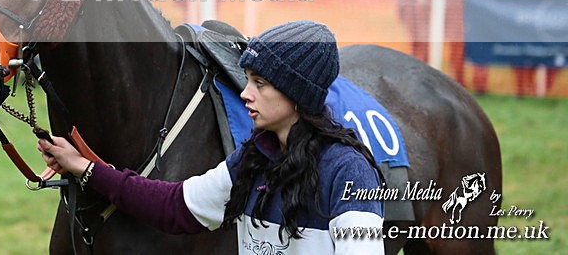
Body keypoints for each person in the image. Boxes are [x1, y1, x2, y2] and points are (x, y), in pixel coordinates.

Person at [39, 21, 385, 254]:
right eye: (247, 80)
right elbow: (173, 205)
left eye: (259, 84)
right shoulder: (253, 159)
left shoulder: (349, 172)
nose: (245, 94)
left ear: (296, 93)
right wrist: (85, 167)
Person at [503, 0, 551, 96]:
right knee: (516, 56)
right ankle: (520, 89)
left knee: (531, 56)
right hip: (515, 23)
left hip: (531, 23)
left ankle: (530, 87)